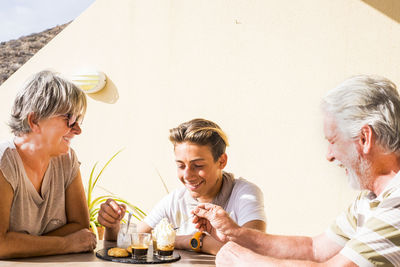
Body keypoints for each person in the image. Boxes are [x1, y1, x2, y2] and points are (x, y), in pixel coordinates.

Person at [192, 75, 400, 266]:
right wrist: (234, 233)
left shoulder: (397, 202)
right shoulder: (370, 199)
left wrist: (241, 260)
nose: (329, 155)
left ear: (364, 138)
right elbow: (315, 249)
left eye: (333, 141)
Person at [98, 118, 266, 255]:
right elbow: (133, 241)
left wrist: (194, 240)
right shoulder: (175, 200)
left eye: (198, 165)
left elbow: (254, 250)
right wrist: (112, 226)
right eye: (180, 165)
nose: (187, 175)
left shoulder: (244, 194)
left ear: (221, 161)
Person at [0, 71, 96, 259]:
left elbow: (81, 228)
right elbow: (1, 245)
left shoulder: (67, 160)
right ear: (34, 120)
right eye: (69, 118)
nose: (78, 130)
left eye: (79, 120)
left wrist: (22, 243)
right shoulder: (5, 163)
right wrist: (66, 243)